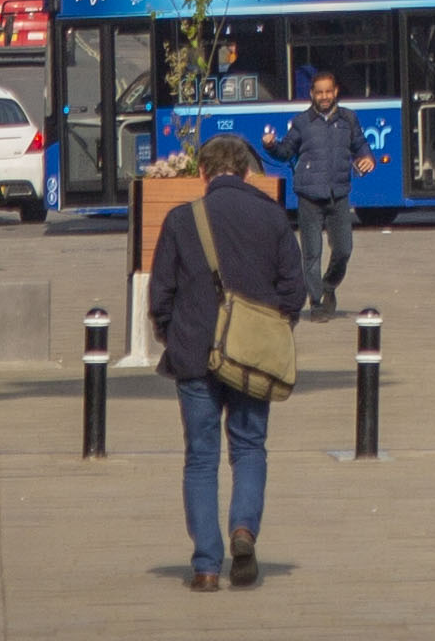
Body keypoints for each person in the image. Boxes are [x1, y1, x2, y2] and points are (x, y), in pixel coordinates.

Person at [144, 133, 309, 593]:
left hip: (194, 354)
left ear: (202, 173)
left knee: (200, 458)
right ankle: (243, 529)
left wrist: (172, 334)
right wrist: (272, 330)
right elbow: (295, 291)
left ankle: (205, 566)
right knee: (249, 448)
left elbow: (161, 294)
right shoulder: (273, 218)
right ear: (247, 172)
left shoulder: (181, 220)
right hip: (253, 356)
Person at [289, 70, 365, 311]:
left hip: (338, 194)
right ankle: (316, 302)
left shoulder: (348, 119)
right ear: (312, 94)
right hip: (309, 195)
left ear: (335, 92)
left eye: (328, 92)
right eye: (319, 92)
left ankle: (328, 285)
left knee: (344, 250)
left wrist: (367, 157)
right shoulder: (302, 122)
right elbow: (284, 150)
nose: (324, 96)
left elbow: (360, 144)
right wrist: (269, 145)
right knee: (311, 254)